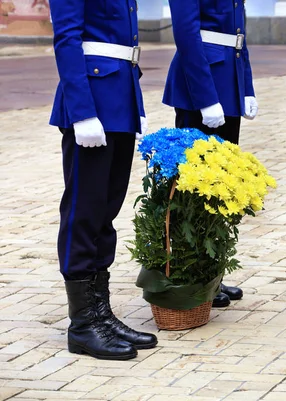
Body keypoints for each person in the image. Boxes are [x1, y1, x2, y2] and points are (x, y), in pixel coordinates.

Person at [49, 0, 157, 360]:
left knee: (106, 209)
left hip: (119, 96)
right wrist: (81, 112)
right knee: (84, 210)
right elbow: (66, 39)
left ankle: (101, 315)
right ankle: (82, 325)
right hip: (92, 99)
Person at [163, 0, 258, 308]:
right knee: (193, 187)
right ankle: (189, 273)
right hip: (201, 85)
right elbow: (186, 34)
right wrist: (205, 96)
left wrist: (247, 87)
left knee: (221, 185)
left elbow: (238, 34)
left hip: (228, 81)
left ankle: (211, 271)